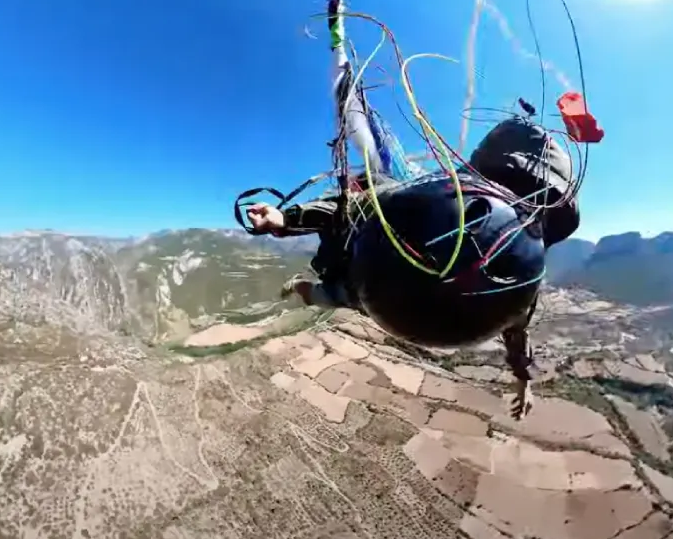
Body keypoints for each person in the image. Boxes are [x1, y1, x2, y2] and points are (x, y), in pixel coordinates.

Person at [246, 114, 580, 419]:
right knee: (322, 294)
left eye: (537, 205)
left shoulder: (518, 270)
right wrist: (285, 219)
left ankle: (302, 289)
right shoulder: (420, 201)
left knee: (329, 295)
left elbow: (517, 326)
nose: (523, 212)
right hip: (368, 282)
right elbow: (352, 205)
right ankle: (298, 287)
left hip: (371, 291)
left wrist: (524, 379)